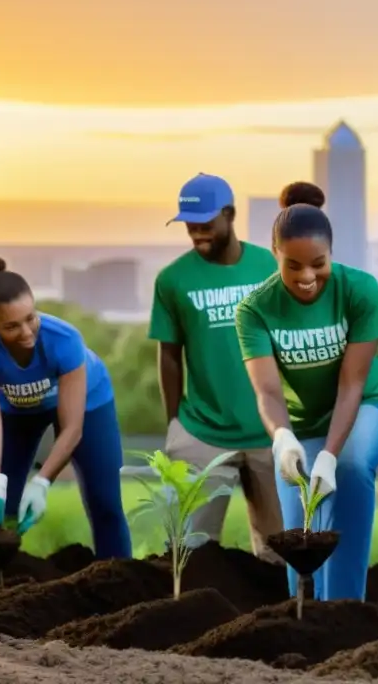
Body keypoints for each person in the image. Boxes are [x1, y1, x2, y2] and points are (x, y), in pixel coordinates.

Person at [235, 181, 378, 602]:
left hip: (366, 403)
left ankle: (346, 610)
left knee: (348, 469)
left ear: (331, 254)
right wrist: (283, 438)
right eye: (293, 266)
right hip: (301, 422)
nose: (307, 277)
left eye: (318, 263)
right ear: (275, 255)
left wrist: (328, 455)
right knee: (301, 543)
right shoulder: (255, 309)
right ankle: (310, 621)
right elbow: (268, 393)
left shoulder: (359, 289)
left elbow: (352, 383)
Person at [0, 256, 132, 559]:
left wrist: (43, 482)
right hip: (16, 412)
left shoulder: (64, 339)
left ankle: (120, 578)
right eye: (11, 326)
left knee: (105, 502)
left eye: (31, 317)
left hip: (89, 402)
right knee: (4, 508)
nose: (27, 333)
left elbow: (72, 428)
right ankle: (4, 587)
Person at [149, 172, 283, 562]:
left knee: (283, 559)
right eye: (191, 227)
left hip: (270, 432)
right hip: (202, 434)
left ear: (230, 214)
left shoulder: (269, 267)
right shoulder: (173, 280)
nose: (197, 236)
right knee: (190, 557)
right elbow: (169, 355)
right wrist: (175, 423)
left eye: (206, 226)